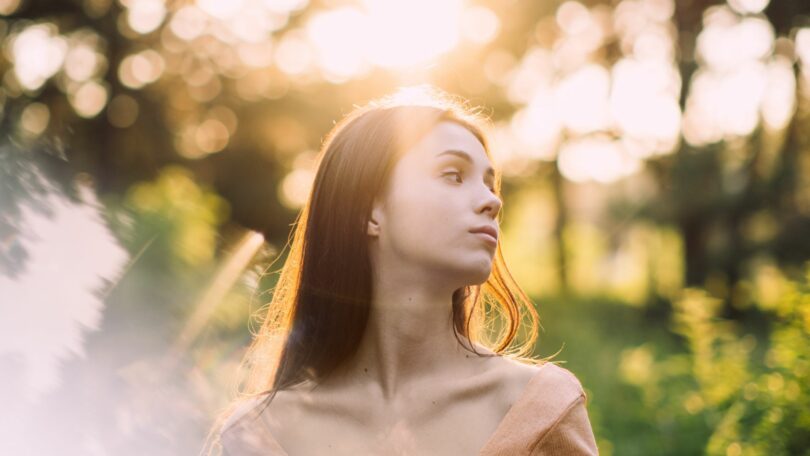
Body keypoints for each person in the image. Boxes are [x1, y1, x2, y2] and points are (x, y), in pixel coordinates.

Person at [203, 86, 599, 455]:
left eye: (490, 185)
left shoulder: (541, 412)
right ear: (368, 212)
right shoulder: (256, 434)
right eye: (453, 175)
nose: (490, 202)